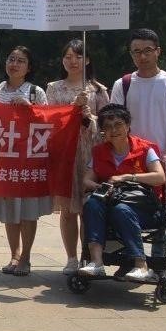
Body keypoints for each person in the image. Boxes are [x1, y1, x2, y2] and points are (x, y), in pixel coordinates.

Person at [78, 103, 166, 282]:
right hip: (110, 203)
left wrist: (128, 177)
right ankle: (96, 262)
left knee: (122, 210)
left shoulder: (145, 149)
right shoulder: (99, 152)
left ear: (127, 126)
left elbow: (159, 177)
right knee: (92, 203)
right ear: (103, 131)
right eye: (108, 127)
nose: (113, 130)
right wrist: (99, 186)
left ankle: (141, 265)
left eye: (118, 124)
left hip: (143, 208)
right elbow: (86, 180)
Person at [0, 45, 52, 277]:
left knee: (27, 210)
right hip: (4, 157)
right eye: (11, 59)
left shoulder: (35, 91)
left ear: (29, 67)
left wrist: (30, 109)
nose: (14, 64)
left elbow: (49, 122)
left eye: (20, 61)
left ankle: (26, 257)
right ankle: (14, 254)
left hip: (28, 159)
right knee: (9, 208)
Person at [45, 38, 109, 274]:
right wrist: (72, 109)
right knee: (68, 210)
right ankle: (71, 257)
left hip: (90, 154)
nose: (73, 61)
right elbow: (49, 119)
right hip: (64, 154)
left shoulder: (98, 90)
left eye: (78, 56)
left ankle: (87, 256)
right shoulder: (54, 88)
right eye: (68, 57)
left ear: (87, 60)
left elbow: (108, 124)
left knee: (87, 208)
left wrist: (89, 116)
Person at [110, 28, 166, 185]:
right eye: (137, 51)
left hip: (162, 157)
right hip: (130, 158)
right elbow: (115, 121)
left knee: (163, 198)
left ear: (158, 51)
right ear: (131, 54)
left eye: (148, 50)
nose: (142, 56)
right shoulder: (122, 84)